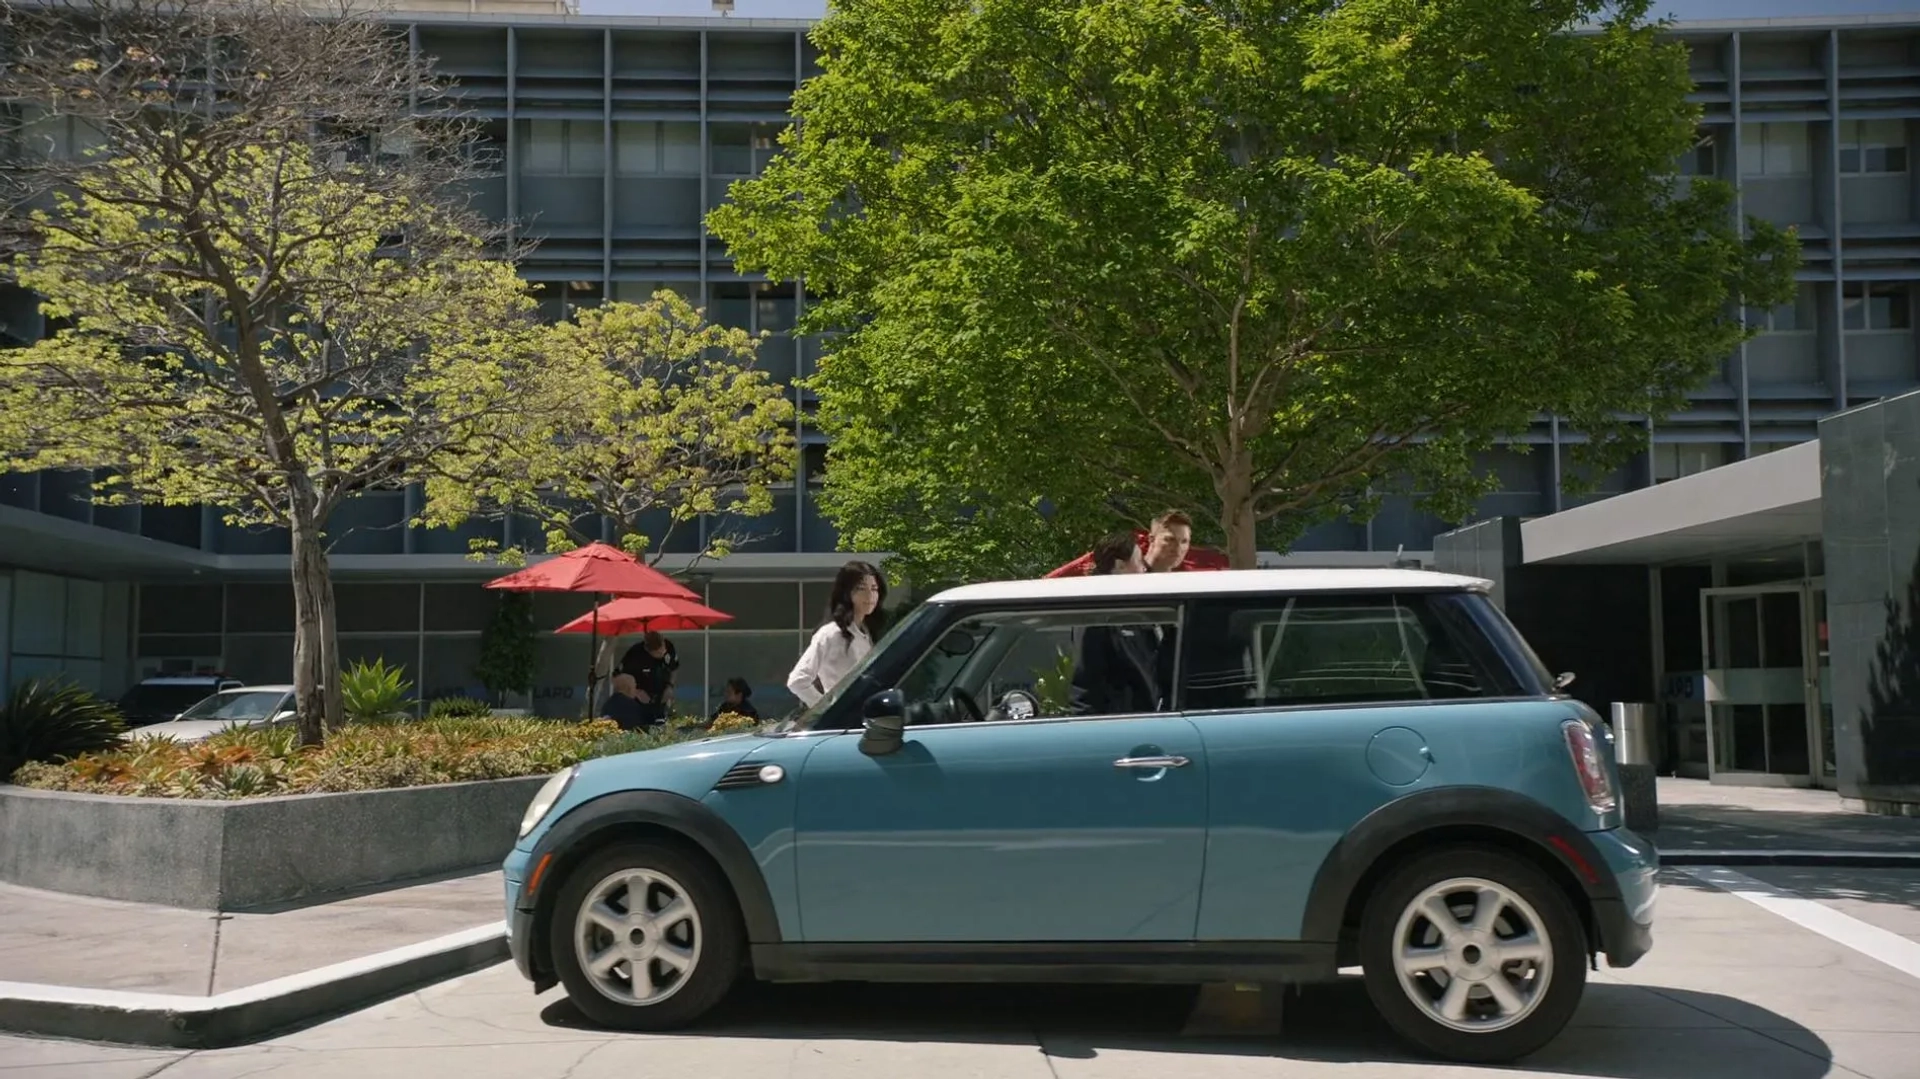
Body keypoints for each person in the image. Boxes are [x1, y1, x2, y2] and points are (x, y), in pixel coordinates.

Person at [1069, 531, 1161, 715]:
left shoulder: (1136, 615)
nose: (1144, 569)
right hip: (1117, 728)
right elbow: (1086, 686)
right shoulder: (1096, 617)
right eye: (1139, 561)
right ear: (1120, 566)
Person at [787, 560, 886, 707]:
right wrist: (826, 710)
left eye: (874, 589)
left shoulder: (867, 633)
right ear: (846, 593)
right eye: (861, 588)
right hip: (844, 722)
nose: (870, 596)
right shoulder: (831, 633)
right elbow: (798, 680)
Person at [619, 630, 678, 727]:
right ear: (648, 650)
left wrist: (670, 687)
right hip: (641, 700)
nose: (662, 654)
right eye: (658, 653)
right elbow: (621, 678)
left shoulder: (669, 647)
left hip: (663, 696)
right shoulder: (635, 655)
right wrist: (636, 692)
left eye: (663, 650)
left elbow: (674, 668)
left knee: (664, 726)